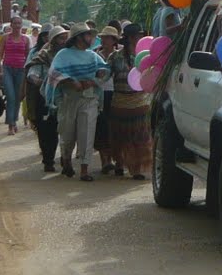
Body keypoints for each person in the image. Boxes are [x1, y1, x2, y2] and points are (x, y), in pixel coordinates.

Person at [48, 22, 108, 180]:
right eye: (88, 35)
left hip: (89, 98)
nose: (91, 38)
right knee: (67, 134)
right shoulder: (63, 55)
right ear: (78, 37)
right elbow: (54, 73)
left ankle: (84, 169)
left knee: (87, 133)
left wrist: (96, 78)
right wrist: (71, 82)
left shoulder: (93, 55)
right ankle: (66, 160)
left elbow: (105, 70)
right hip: (69, 99)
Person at [107, 21, 153, 179]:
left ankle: (136, 169)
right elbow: (106, 75)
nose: (139, 38)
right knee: (121, 137)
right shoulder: (115, 57)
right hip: (120, 103)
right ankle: (120, 163)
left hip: (140, 102)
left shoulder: (146, 56)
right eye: (138, 36)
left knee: (139, 138)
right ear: (130, 38)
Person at [26, 28, 69, 172]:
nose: (64, 41)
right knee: (46, 132)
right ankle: (48, 160)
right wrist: (45, 83)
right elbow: (31, 74)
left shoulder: (69, 56)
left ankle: (65, 158)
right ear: (53, 40)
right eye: (60, 38)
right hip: (45, 98)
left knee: (66, 131)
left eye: (65, 38)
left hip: (65, 98)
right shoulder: (43, 56)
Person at [93, 24, 124, 175]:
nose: (104, 40)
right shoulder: (94, 55)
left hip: (115, 93)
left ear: (114, 40)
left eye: (107, 38)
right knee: (101, 127)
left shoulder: (120, 56)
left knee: (115, 127)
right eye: (103, 37)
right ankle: (105, 161)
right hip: (99, 94)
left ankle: (117, 160)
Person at [0, 17, 30, 136]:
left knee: (18, 97)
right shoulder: (5, 37)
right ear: (11, 24)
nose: (17, 25)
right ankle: (10, 124)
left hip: (21, 70)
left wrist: (27, 72)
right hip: (7, 69)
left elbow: (28, 57)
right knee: (10, 96)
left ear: (22, 25)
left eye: (19, 23)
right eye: (15, 23)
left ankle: (14, 120)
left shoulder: (26, 39)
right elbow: (0, 54)